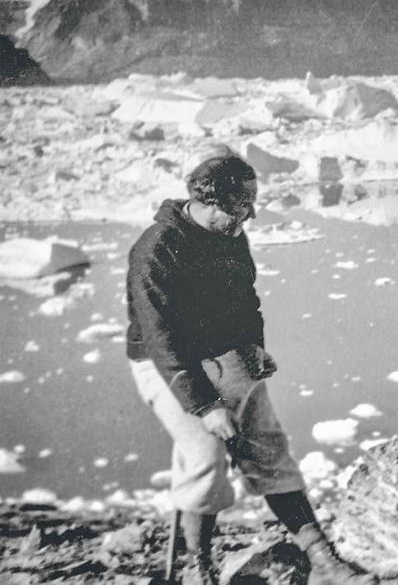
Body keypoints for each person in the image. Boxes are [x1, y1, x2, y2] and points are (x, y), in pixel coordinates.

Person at [126, 154, 373, 584]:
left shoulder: (231, 234)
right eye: (241, 206)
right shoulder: (157, 248)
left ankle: (323, 560)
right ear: (210, 201)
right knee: (205, 455)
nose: (250, 215)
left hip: (226, 353)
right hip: (166, 363)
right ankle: (197, 567)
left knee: (267, 449)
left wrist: (253, 345)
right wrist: (205, 406)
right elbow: (161, 338)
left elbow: (245, 298)